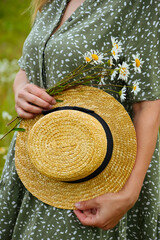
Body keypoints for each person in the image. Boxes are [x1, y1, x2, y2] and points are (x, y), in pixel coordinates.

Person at [0, 0, 160, 239]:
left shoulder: (139, 5)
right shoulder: (53, 1)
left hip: (95, 175)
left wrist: (128, 194)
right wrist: (21, 89)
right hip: (36, 161)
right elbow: (29, 66)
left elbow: (148, 104)